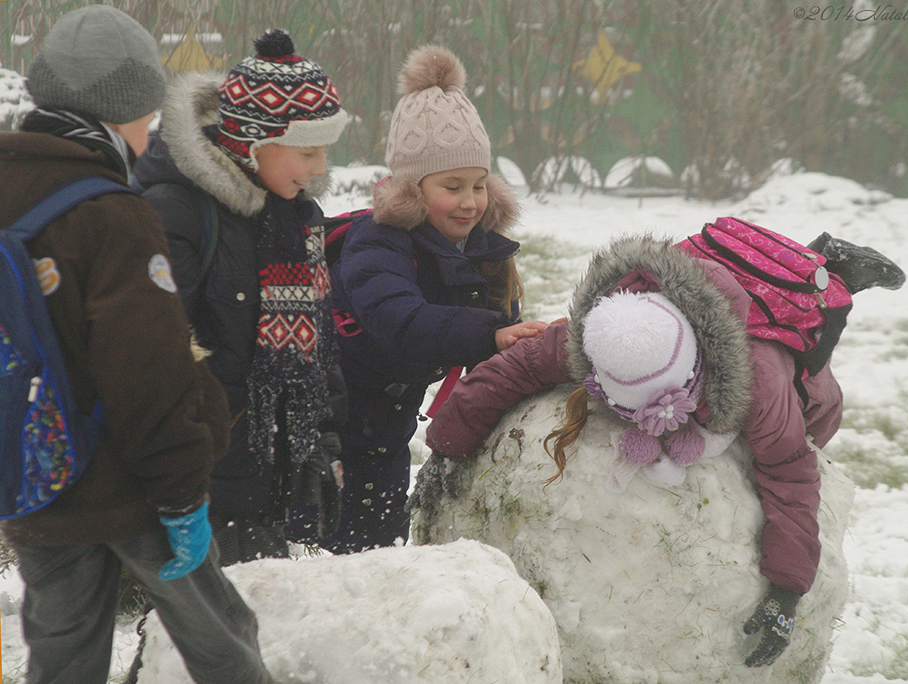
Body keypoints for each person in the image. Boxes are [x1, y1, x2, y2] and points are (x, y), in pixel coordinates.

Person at [413, 231, 905, 667]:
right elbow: (509, 371)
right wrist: (446, 451)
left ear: (694, 371)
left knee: (819, 410)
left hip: (757, 325)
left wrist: (788, 589)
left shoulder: (760, 376)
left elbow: (791, 470)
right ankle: (805, 265)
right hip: (701, 282)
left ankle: (829, 273)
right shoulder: (600, 334)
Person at [0, 6, 275, 683]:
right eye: (146, 115)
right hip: (135, 488)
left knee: (63, 660)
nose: (150, 131)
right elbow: (149, 372)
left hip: (36, 481)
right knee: (224, 644)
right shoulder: (114, 215)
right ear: (120, 109)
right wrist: (183, 496)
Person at [285, 44, 548, 555]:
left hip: (387, 426)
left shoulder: (481, 249)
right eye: (452, 186)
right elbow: (400, 322)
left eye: (479, 185)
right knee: (319, 556)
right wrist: (489, 333)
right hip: (327, 425)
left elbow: (497, 335)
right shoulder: (377, 242)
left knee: (381, 546)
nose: (470, 202)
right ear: (412, 188)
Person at [133, 29, 350, 565]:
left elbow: (317, 345)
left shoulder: (299, 220)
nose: (320, 168)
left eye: (324, 151)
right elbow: (149, 352)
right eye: (307, 150)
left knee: (244, 626)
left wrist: (321, 445)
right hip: (197, 478)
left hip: (265, 473)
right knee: (208, 633)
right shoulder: (179, 212)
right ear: (253, 143)